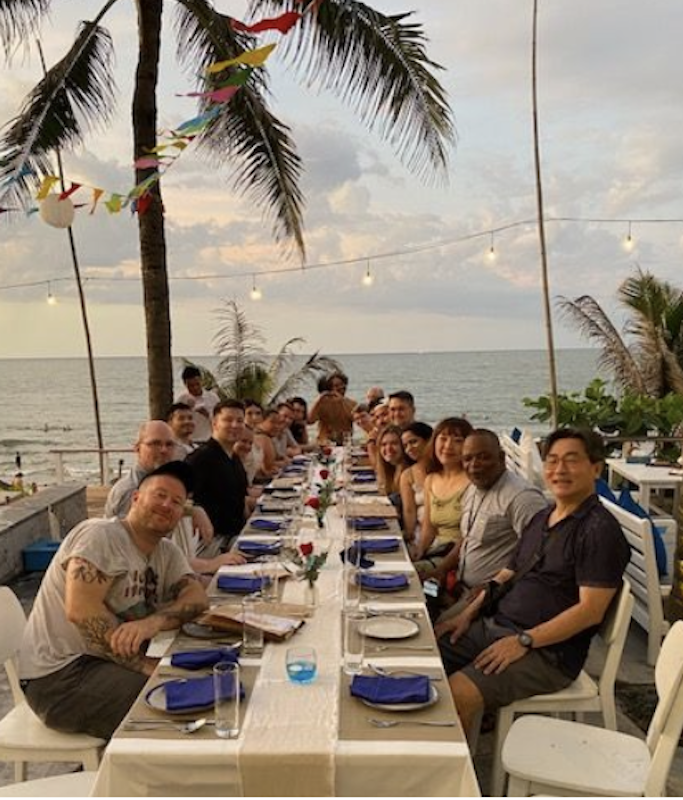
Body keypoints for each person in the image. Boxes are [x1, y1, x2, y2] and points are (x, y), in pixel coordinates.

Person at [436, 428, 631, 741]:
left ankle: (449, 781)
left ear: (596, 468)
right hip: (498, 626)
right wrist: (467, 613)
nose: (559, 470)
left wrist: (523, 641)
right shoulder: (544, 517)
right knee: (424, 655)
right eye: (552, 461)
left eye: (571, 460)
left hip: (546, 653)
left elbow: (590, 611)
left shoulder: (598, 531)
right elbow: (508, 572)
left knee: (456, 694)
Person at [18, 462, 209, 740]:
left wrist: (151, 623)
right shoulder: (100, 535)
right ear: (135, 498)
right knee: (177, 708)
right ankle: (133, 779)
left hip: (107, 665)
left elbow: (198, 598)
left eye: (177, 502)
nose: (167, 505)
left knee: (209, 681)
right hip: (59, 677)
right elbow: (82, 612)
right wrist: (143, 666)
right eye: (159, 495)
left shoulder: (166, 552)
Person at [104, 420, 244, 573]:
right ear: (137, 449)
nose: (163, 450)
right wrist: (208, 565)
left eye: (169, 444)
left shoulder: (165, 484)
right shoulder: (130, 491)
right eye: (155, 444)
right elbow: (136, 556)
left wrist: (194, 509)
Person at [433, 429, 548, 615]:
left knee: (437, 632)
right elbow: (467, 538)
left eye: (483, 457)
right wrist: (442, 569)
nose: (474, 465)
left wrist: (494, 586)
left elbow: (539, 555)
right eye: (467, 459)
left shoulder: (521, 498)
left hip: (492, 599)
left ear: (501, 458)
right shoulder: (473, 488)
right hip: (461, 588)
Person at [411, 417, 473, 575]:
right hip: (436, 552)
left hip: (457, 559)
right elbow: (428, 528)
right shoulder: (431, 479)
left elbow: (468, 538)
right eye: (443, 439)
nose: (448, 446)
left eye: (457, 441)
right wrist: (419, 552)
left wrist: (440, 569)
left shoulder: (472, 483)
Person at [186, 400, 249, 549]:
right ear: (214, 423)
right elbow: (181, 497)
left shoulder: (234, 457)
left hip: (236, 535)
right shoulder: (200, 458)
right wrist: (195, 510)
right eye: (228, 420)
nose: (235, 425)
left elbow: (241, 499)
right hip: (213, 542)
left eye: (239, 421)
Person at [399, 421, 434, 545]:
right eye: (405, 446)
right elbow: (409, 511)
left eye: (413, 442)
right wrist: (410, 537)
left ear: (429, 440)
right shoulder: (408, 475)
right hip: (420, 533)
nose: (409, 449)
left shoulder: (444, 469)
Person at [308, 372, 357, 444]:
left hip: (345, 442)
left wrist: (342, 401)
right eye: (337, 385)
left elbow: (356, 419)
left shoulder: (351, 403)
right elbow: (310, 421)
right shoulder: (322, 404)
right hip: (325, 443)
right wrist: (319, 399)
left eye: (343, 384)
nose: (341, 387)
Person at [176, 365, 220, 443]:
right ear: (185, 384)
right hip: (190, 441)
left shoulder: (213, 398)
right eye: (191, 386)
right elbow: (176, 423)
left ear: (201, 380)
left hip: (208, 439)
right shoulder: (182, 400)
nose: (195, 388)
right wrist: (187, 410)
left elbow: (219, 421)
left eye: (197, 384)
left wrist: (207, 414)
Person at [375, 424, 408, 501]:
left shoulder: (408, 473)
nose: (388, 448)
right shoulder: (390, 470)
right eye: (383, 444)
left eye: (394, 443)